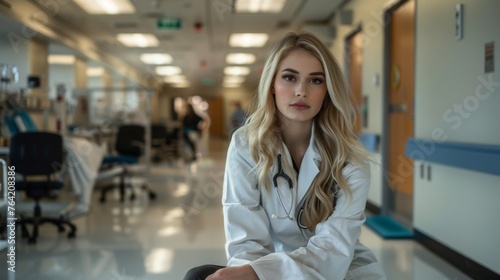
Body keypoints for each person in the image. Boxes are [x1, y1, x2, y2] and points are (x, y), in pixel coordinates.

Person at [184, 32, 387, 280]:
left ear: (327, 90)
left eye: (315, 80)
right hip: (274, 267)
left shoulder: (350, 158)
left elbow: (332, 250)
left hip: (343, 271)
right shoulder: (245, 145)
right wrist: (253, 273)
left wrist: (259, 274)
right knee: (197, 276)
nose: (301, 91)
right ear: (272, 84)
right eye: (289, 78)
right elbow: (246, 242)